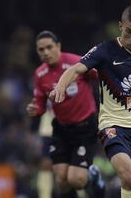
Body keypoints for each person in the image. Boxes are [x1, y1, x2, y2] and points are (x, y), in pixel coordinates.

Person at [50, 3, 131, 198]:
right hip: (113, 125)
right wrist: (61, 86)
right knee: (129, 177)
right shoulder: (105, 50)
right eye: (129, 31)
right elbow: (75, 69)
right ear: (121, 26)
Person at [26, 30, 105, 198]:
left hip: (85, 127)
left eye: (49, 47)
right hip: (62, 128)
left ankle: (93, 176)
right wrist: (35, 110)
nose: (46, 52)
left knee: (75, 179)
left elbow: (101, 77)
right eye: (41, 49)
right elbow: (40, 102)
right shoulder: (40, 74)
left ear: (58, 46)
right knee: (61, 179)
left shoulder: (77, 63)